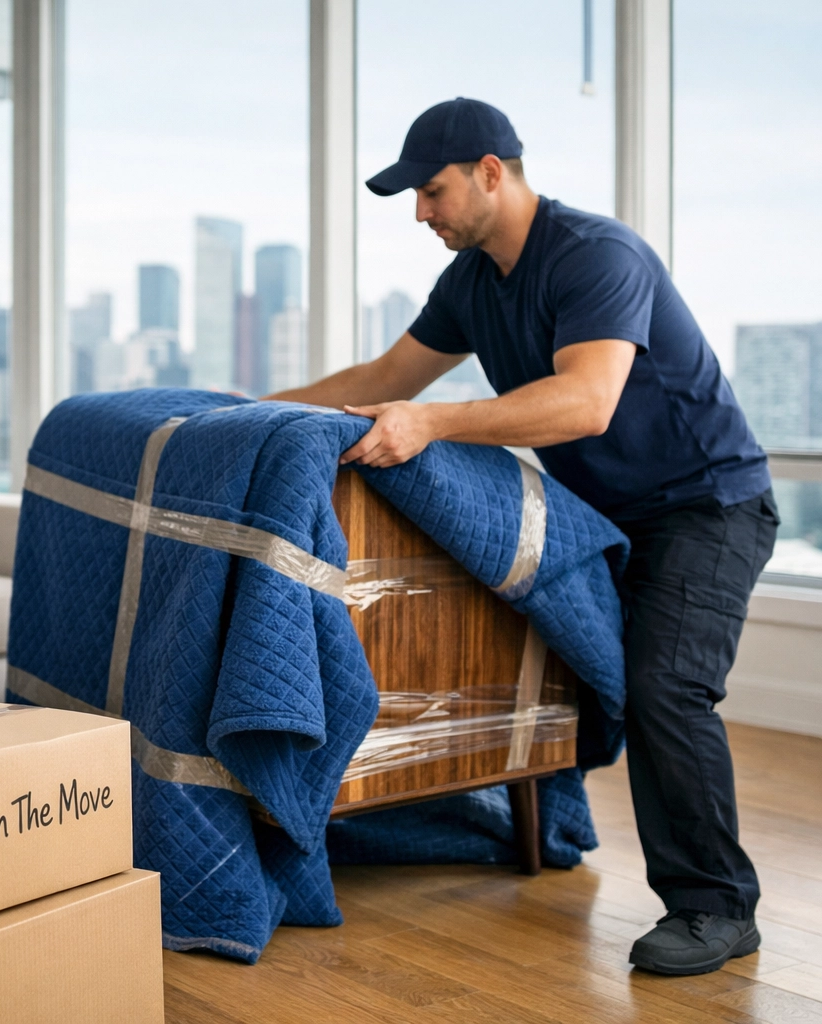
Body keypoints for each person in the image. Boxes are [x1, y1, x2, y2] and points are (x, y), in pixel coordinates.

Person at [269, 98, 777, 977]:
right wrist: (247, 415)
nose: (421, 213)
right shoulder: (471, 283)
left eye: (431, 191)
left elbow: (587, 402)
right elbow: (384, 376)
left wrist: (429, 426)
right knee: (566, 666)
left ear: (491, 173)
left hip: (708, 506)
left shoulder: (595, 255)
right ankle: (545, 826)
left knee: (665, 689)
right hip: (610, 515)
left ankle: (716, 907)